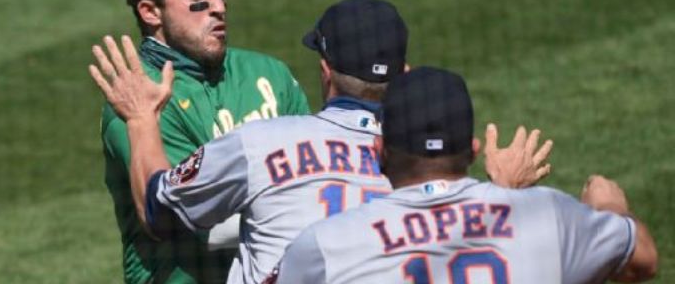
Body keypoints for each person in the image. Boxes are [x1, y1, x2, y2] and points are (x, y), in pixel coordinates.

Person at [90, 0, 553, 284]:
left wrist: (141, 118)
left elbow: (160, 210)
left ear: (325, 70)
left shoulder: (261, 142)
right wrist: (504, 193)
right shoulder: (425, 167)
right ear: (405, 74)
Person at [276, 66, 659, 283]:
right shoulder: (549, 217)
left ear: (379, 153)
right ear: (474, 150)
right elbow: (643, 257)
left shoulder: (326, 244)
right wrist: (608, 205)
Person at [99, 0, 311, 284]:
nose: (219, 7)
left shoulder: (268, 74)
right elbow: (190, 216)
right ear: (151, 12)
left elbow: (316, 175)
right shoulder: (138, 101)